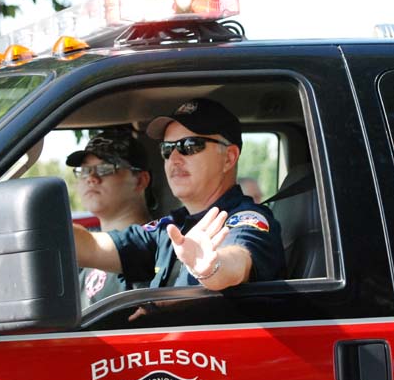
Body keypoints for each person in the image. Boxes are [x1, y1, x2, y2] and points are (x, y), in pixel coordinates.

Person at [73, 98, 285, 294]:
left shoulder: (246, 219)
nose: (174, 158)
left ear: (229, 158)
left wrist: (211, 267)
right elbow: (92, 247)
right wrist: (45, 228)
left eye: (190, 146)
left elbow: (237, 261)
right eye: (167, 149)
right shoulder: (169, 229)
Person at [66, 130, 152, 306]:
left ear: (140, 180)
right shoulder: (82, 253)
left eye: (105, 169)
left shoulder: (154, 246)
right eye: (85, 170)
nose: (91, 178)